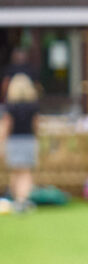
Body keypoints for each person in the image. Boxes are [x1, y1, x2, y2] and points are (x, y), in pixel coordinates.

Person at [1, 73, 39, 209]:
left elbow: (6, 127)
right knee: (26, 172)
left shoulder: (10, 107)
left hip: (14, 141)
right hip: (29, 140)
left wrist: (2, 143)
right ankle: (23, 200)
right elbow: (36, 126)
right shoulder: (33, 106)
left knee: (15, 171)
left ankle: (16, 199)